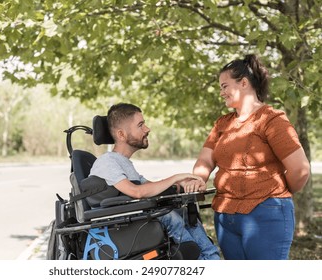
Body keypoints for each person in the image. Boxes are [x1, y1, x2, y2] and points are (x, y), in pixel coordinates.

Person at [185, 54, 310, 260]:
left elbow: (300, 169)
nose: (221, 92)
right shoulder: (222, 124)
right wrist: (199, 177)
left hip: (266, 214)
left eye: (225, 86)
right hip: (225, 216)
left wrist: (275, 192)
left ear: (243, 83)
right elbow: (206, 159)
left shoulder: (271, 120)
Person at [89, 103, 220, 260]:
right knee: (170, 215)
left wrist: (183, 185)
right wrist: (176, 177)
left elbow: (150, 187)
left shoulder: (123, 163)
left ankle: (210, 257)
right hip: (123, 226)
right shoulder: (107, 162)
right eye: (140, 125)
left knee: (187, 214)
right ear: (121, 135)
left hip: (138, 218)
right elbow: (137, 191)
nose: (147, 129)